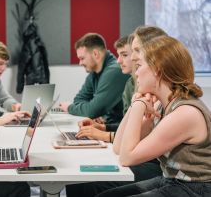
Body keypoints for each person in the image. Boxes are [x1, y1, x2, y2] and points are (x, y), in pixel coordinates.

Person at [97, 36, 211, 197]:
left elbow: (127, 158)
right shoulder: (161, 106)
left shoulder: (185, 113)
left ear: (157, 69)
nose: (135, 73)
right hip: (172, 180)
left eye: (139, 66)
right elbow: (118, 147)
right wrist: (135, 103)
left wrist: (138, 106)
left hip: (198, 188)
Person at [67, 28, 167, 197]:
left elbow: (129, 148)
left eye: (134, 52)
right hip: (146, 159)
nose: (123, 59)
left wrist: (104, 133)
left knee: (88, 183)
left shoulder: (169, 103)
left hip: (158, 168)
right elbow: (125, 139)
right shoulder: (136, 87)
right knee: (77, 180)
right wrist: (104, 127)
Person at [59, 33, 130, 125]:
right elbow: (79, 100)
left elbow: (91, 111)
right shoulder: (94, 73)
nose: (80, 63)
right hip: (107, 127)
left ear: (95, 54)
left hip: (116, 132)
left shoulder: (114, 71)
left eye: (82, 58)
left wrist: (69, 107)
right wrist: (94, 112)